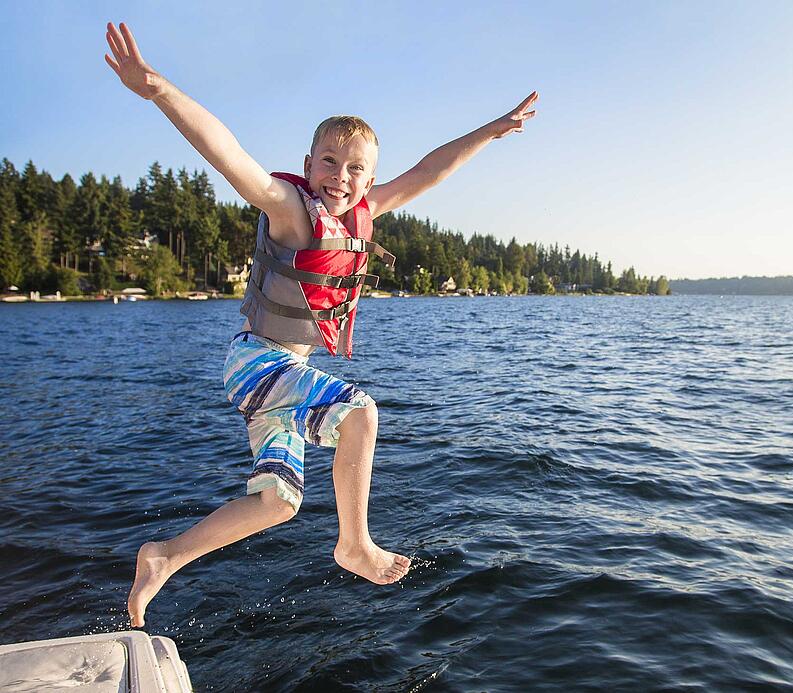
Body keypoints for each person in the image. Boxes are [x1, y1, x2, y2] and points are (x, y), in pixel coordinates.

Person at [104, 21, 537, 627]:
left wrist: (492, 131)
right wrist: (159, 90)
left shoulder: (366, 209)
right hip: (257, 361)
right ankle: (354, 543)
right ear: (308, 164)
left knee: (277, 503)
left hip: (283, 377)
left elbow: (431, 170)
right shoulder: (290, 211)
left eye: (357, 168)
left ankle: (164, 558)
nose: (342, 175)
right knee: (360, 412)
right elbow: (228, 156)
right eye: (329, 161)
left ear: (368, 178)